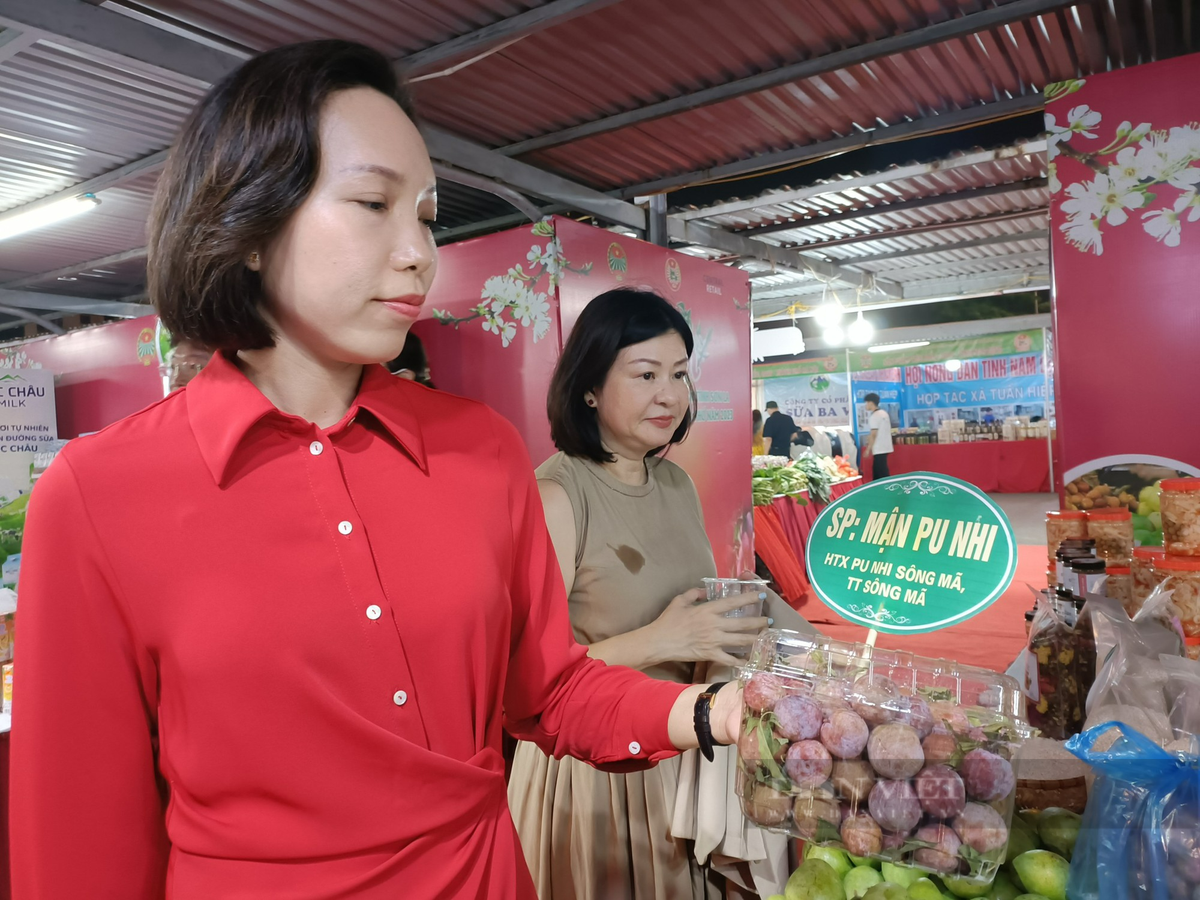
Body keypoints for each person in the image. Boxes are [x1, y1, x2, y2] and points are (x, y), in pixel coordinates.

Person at [12, 41, 745, 900]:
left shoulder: (481, 449)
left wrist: (702, 713)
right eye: (372, 203)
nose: (418, 253)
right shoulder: (100, 494)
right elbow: (78, 840)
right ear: (246, 225)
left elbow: (547, 686)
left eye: (428, 216)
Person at [508, 289, 807, 900]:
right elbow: (523, 681)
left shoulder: (675, 481)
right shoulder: (558, 494)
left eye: (678, 374)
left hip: (692, 744)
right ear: (589, 385)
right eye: (645, 374)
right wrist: (662, 640)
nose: (669, 395)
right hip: (597, 770)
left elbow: (691, 598)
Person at [863, 392, 894, 480]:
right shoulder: (884, 413)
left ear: (871, 403)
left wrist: (868, 449)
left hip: (879, 448)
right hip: (886, 446)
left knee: (880, 472)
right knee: (881, 469)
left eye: (866, 403)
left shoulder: (874, 416)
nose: (865, 405)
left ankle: (885, 489)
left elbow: (874, 434)